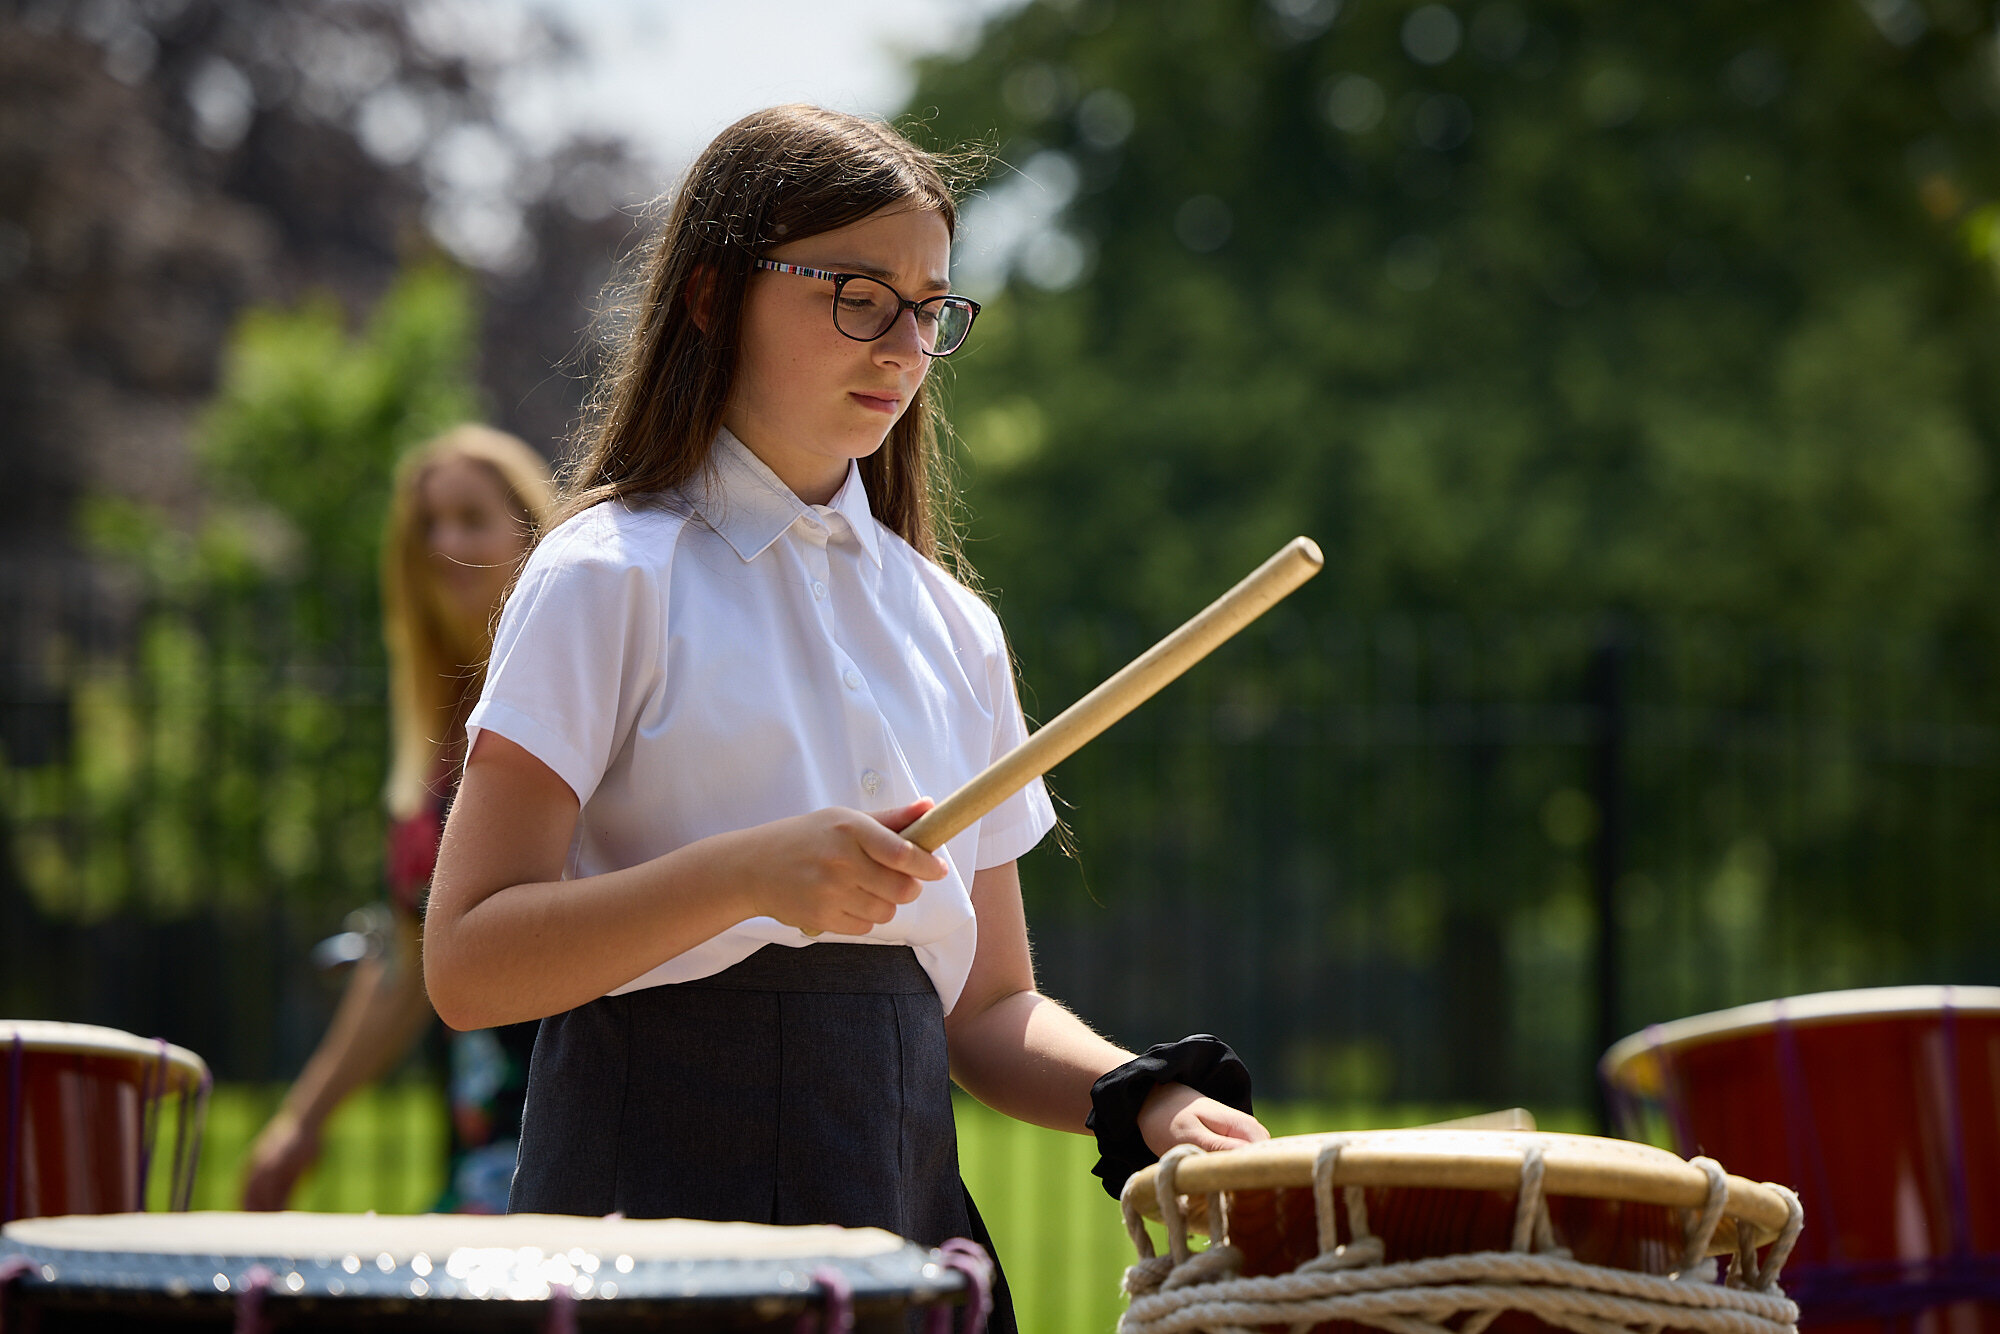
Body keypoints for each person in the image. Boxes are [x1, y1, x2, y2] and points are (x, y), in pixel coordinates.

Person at [421, 105, 1265, 1329]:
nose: (903, 342)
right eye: (856, 293)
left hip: (904, 1226)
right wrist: (750, 876)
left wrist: (1140, 1096)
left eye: (929, 306)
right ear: (710, 295)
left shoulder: (951, 624)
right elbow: (466, 959)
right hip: (644, 1239)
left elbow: (983, 1009)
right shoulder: (605, 572)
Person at [242, 424, 556, 1214]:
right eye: (425, 527)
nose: (444, 540)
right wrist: (302, 1122)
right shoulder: (444, 741)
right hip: (482, 1147)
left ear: (532, 534)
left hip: (580, 1126)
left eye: (470, 516)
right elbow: (411, 954)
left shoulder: (578, 695)